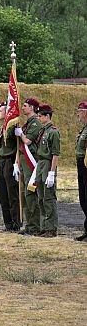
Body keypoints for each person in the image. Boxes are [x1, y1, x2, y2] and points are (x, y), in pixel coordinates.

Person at [14, 98, 43, 235]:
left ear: (32, 107)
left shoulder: (35, 123)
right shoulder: (28, 123)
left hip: (31, 161)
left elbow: (27, 140)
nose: (23, 108)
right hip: (24, 160)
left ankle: (35, 225)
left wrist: (21, 134)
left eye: (25, 106)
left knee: (30, 193)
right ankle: (29, 223)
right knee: (24, 194)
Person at [35, 104, 60, 238]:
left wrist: (51, 172)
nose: (38, 118)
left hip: (48, 163)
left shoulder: (53, 132)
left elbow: (55, 154)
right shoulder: (43, 130)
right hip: (41, 164)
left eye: (40, 116)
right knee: (41, 197)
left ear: (47, 116)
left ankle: (51, 228)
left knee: (49, 197)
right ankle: (44, 226)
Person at [0, 101, 20, 231]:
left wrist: (16, 163)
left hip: (10, 161)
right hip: (1, 160)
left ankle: (16, 222)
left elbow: (17, 144)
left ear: (7, 112)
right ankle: (8, 223)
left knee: (12, 194)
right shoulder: (3, 127)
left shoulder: (12, 127)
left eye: (0, 111)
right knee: (3, 194)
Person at [75, 101, 87, 242]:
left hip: (86, 165)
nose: (78, 113)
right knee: (83, 198)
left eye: (79, 111)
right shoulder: (84, 129)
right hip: (80, 164)